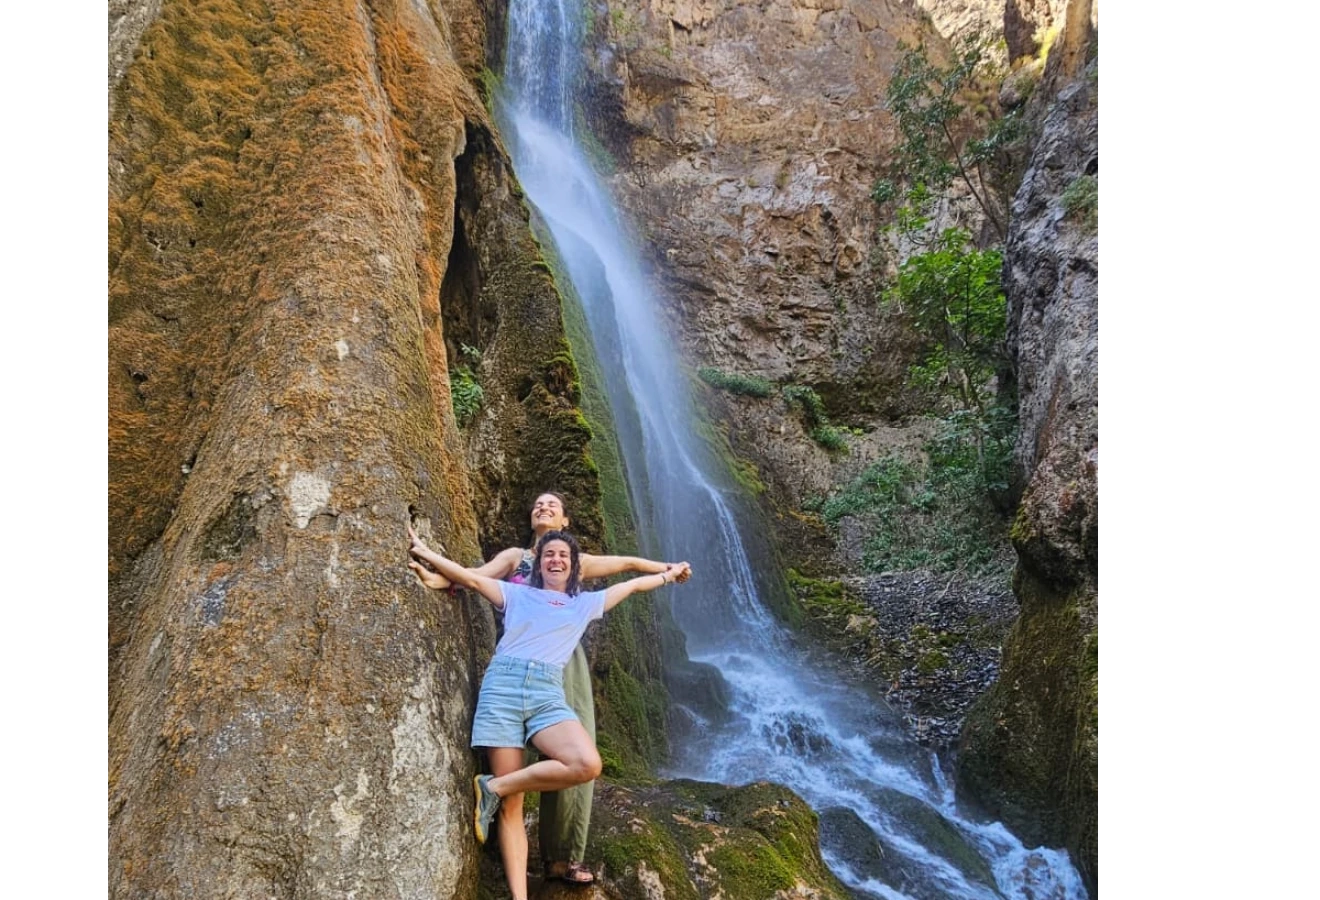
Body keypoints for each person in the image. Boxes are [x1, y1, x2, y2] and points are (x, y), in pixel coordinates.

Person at [408, 492, 688, 884]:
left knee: (583, 759)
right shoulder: (516, 575)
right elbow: (474, 576)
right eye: (538, 504)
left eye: (553, 505)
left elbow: (628, 573)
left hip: (554, 669)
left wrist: (668, 570)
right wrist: (434, 568)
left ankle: (552, 844)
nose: (556, 559)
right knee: (514, 804)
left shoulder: (580, 595)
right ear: (538, 562)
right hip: (509, 671)